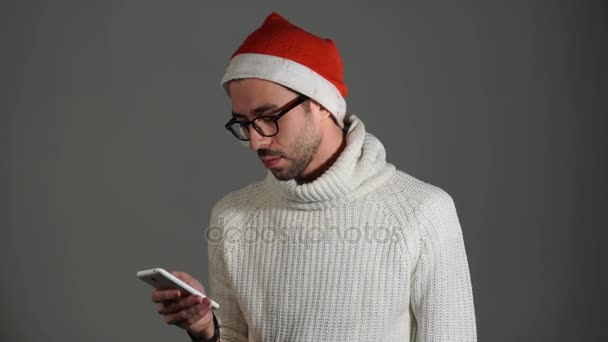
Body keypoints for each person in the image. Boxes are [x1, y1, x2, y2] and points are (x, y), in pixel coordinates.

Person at [150, 12, 477, 341]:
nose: (255, 141)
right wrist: (205, 329)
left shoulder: (422, 211)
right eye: (244, 123)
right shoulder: (232, 215)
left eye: (268, 117)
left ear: (322, 104)